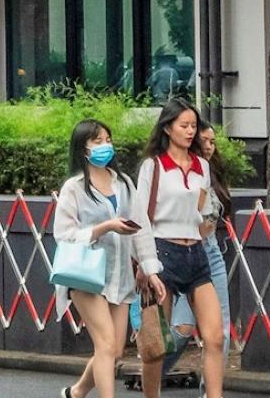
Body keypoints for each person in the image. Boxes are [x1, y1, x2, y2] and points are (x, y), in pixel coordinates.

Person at [54, 119, 165, 398]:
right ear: (83, 148)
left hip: (120, 276)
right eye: (97, 141)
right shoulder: (74, 187)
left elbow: (141, 228)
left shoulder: (124, 183)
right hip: (86, 276)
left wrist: (150, 270)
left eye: (108, 140)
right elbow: (64, 235)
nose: (105, 146)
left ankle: (78, 391)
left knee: (114, 350)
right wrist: (106, 227)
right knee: (104, 344)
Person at [133, 99, 225, 398]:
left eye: (193, 126)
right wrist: (147, 265)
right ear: (167, 127)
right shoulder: (153, 166)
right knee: (157, 343)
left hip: (196, 252)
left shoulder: (203, 167)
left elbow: (202, 209)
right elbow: (140, 217)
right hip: (163, 252)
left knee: (214, 337)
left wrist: (204, 226)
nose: (189, 132)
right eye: (183, 126)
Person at [163, 119, 233, 380]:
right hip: (179, 250)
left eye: (212, 142)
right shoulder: (176, 173)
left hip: (210, 252)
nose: (208, 146)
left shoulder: (209, 172)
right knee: (181, 328)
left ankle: (211, 391)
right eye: (203, 141)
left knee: (219, 331)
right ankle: (151, 373)